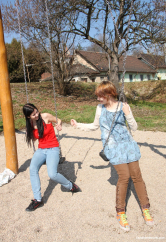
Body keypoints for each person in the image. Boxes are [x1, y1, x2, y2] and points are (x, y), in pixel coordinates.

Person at [71, 81, 154, 231]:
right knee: (124, 176)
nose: (98, 99)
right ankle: (120, 212)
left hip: (128, 145)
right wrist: (78, 125)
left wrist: (128, 114)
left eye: (100, 96)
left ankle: (145, 208)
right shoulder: (99, 108)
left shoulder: (123, 106)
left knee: (137, 176)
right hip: (112, 147)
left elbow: (134, 127)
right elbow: (95, 126)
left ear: (109, 95)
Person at [23, 103, 80, 212]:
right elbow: (35, 139)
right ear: (28, 117)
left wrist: (58, 125)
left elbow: (58, 120)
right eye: (33, 114)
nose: (36, 115)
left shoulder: (45, 116)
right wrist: (29, 134)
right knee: (32, 169)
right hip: (41, 149)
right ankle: (38, 199)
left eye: (36, 111)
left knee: (52, 174)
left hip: (53, 148)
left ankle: (70, 185)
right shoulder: (30, 123)